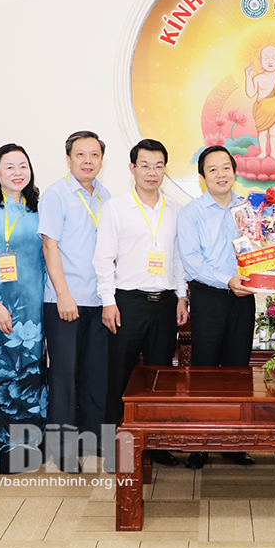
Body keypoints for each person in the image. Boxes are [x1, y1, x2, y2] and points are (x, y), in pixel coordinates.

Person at [93, 139, 188, 468]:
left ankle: (156, 446)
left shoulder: (175, 210)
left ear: (165, 169)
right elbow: (103, 259)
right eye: (145, 165)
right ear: (132, 168)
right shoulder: (115, 208)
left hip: (163, 304)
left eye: (158, 166)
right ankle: (113, 449)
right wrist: (108, 302)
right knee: (119, 376)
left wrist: (181, 296)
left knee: (159, 377)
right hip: (127, 303)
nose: (152, 172)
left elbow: (178, 258)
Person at [176, 145, 256, 469]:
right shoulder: (191, 212)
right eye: (213, 169)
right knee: (206, 371)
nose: (221, 174)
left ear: (234, 172)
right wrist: (227, 280)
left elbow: (263, 248)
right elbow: (192, 262)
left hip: (243, 297)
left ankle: (234, 443)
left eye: (226, 167)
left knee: (238, 370)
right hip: (209, 296)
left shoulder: (249, 209)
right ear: (202, 176)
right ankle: (200, 443)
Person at [0, 144, 47, 473]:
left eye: (23, 165)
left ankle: (28, 453)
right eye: (10, 166)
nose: (18, 172)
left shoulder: (36, 208)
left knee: (29, 381)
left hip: (33, 309)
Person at [39, 131, 111, 472]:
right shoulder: (56, 195)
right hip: (65, 301)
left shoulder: (105, 196)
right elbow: (49, 247)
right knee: (64, 377)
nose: (87, 161)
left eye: (94, 155)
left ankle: (93, 440)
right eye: (80, 155)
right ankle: (63, 450)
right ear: (68, 159)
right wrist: (63, 295)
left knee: (95, 374)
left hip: (99, 299)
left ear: (101, 160)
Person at [245, 45, 275, 159]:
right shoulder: (258, 78)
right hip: (262, 112)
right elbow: (250, 93)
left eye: (274, 58)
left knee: (274, 133)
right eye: (266, 58)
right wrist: (249, 77)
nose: (270, 61)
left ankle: (273, 152)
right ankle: (263, 152)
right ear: (260, 60)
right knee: (263, 133)